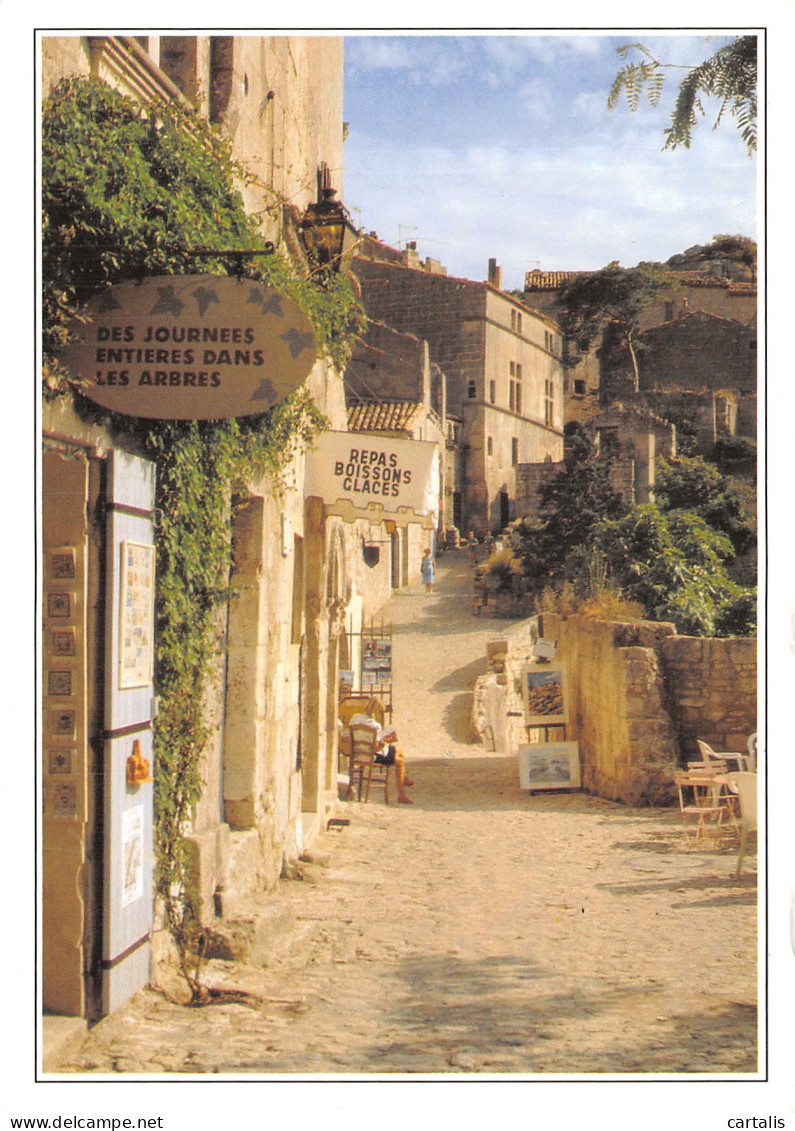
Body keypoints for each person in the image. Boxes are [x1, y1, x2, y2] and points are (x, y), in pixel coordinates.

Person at [349, 713, 414, 803]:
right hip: (372, 756)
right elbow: (375, 748)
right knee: (400, 761)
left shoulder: (354, 719)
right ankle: (402, 793)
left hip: (358, 754)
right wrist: (383, 742)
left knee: (399, 750)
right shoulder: (375, 726)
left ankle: (404, 779)